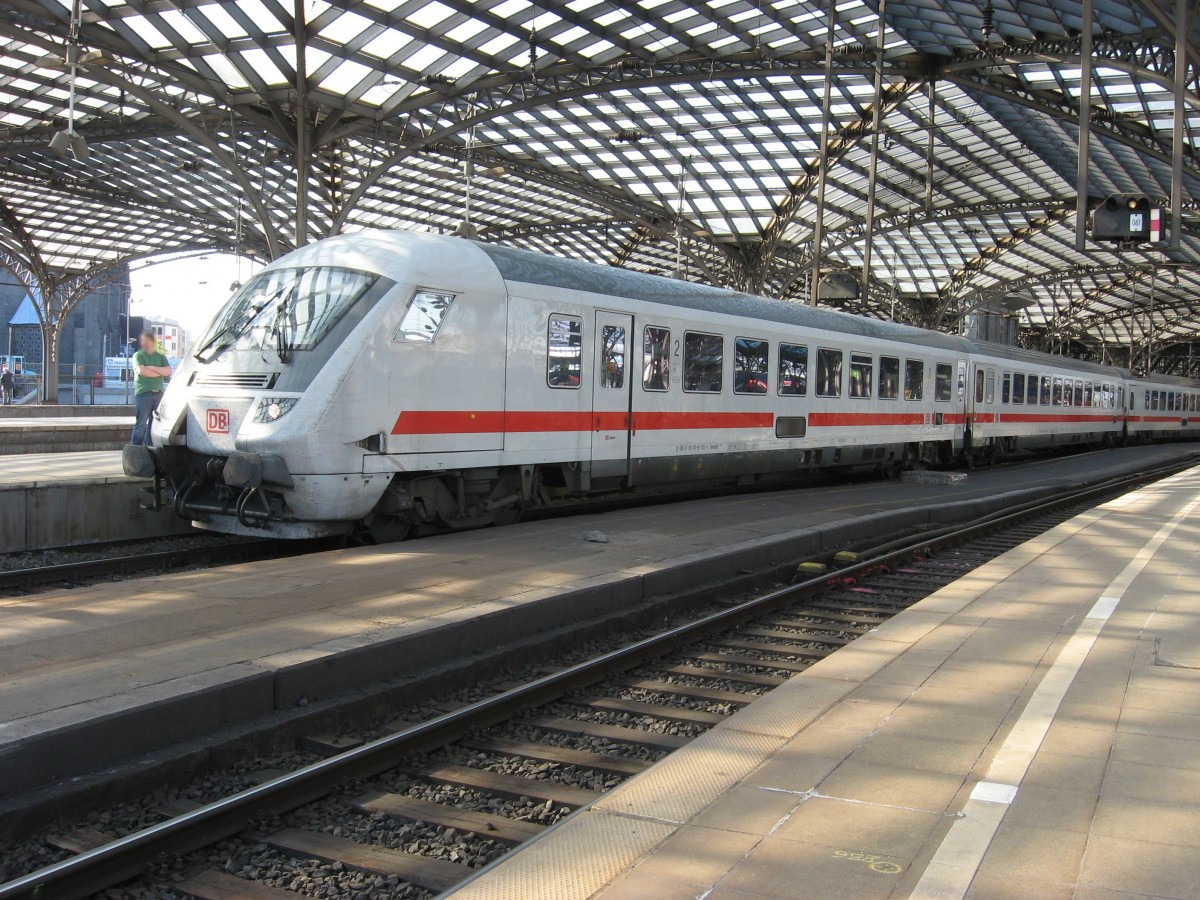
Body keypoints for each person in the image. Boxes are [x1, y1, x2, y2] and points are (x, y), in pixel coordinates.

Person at [131, 331, 171, 446]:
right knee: (141, 424)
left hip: (159, 394)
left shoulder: (161, 357)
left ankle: (150, 448)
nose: (146, 344)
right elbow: (142, 371)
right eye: (144, 341)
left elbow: (168, 371)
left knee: (154, 424)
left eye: (148, 341)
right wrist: (160, 372)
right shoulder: (138, 355)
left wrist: (152, 368)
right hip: (143, 393)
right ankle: (136, 449)